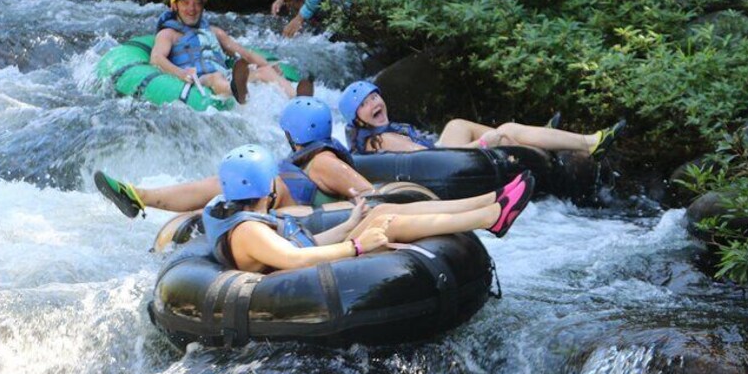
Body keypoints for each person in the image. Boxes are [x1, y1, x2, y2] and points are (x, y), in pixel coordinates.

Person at [204, 144, 535, 272]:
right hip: (297, 281)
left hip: (306, 264)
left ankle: (489, 201)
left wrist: (349, 224)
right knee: (386, 221)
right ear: (266, 186)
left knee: (378, 212)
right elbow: (294, 258)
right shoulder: (247, 230)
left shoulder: (248, 219)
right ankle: (490, 218)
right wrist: (357, 246)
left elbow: (302, 244)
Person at [94, 98, 377, 219]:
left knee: (220, 184)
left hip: (285, 208)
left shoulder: (325, 161)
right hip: (267, 202)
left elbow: (369, 195)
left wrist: (325, 215)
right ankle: (140, 197)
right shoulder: (315, 158)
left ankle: (140, 196)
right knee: (219, 188)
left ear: (293, 133)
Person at [338, 81, 626, 156]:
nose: (374, 103)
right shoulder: (380, 140)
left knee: (458, 124)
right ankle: (588, 143)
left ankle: (539, 138)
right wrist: (481, 145)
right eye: (365, 104)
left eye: (374, 97)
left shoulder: (381, 131)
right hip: (444, 161)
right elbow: (428, 159)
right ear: (358, 119)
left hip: (439, 151)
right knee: (503, 132)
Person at [153, 0, 303, 104]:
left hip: (225, 76)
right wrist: (180, 73)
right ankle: (237, 92)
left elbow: (245, 54)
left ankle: (299, 102)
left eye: (197, 3)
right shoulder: (168, 34)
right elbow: (157, 58)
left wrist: (267, 65)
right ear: (174, 6)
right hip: (200, 78)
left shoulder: (214, 32)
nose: (192, 8)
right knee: (215, 77)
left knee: (265, 71)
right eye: (186, 3)